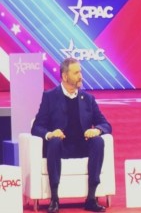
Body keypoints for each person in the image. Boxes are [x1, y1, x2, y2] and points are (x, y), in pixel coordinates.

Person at [31, 58, 112, 213]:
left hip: (82, 146)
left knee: (98, 142)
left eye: (80, 72)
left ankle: (91, 198)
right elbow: (37, 127)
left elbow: (106, 124)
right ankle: (54, 199)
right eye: (76, 73)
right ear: (65, 76)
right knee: (54, 142)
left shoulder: (88, 99)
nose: (81, 76)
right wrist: (50, 134)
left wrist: (98, 130)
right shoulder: (50, 97)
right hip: (60, 148)